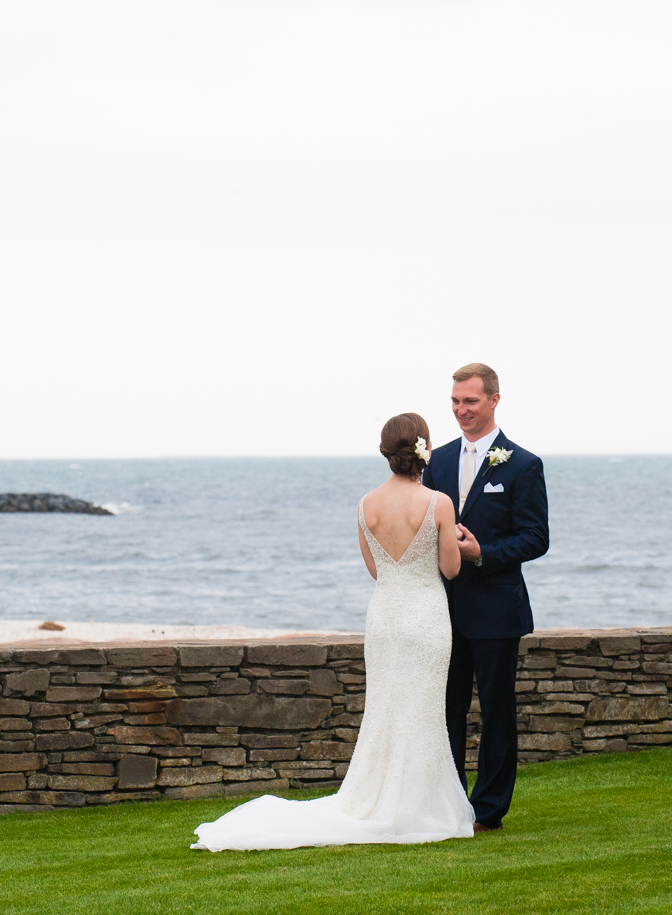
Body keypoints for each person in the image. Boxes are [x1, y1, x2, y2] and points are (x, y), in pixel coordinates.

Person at [191, 413, 474, 851]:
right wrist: (457, 541)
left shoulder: (365, 505)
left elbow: (376, 569)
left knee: (385, 709)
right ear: (424, 450)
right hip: (425, 617)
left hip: (385, 616)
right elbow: (449, 568)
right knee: (421, 709)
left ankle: (381, 799)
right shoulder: (438, 503)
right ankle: (416, 805)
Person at [422, 363, 549, 832]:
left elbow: (536, 538)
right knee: (447, 711)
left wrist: (483, 553)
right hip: (444, 610)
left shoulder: (522, 464)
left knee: (497, 713)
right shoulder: (437, 462)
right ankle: (449, 804)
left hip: (497, 610)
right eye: (455, 402)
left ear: (494, 400)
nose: (461, 411)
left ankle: (488, 810)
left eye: (470, 402)